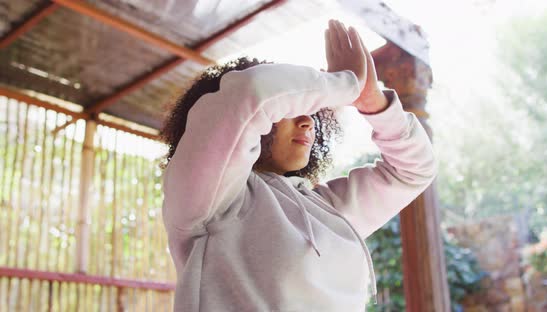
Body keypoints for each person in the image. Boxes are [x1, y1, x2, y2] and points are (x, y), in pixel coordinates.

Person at [160, 19, 437, 311]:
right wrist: (345, 85)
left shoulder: (326, 209)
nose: (308, 121)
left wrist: (373, 102)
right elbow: (249, 94)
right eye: (292, 111)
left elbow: (414, 169)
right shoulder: (207, 200)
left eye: (312, 114)